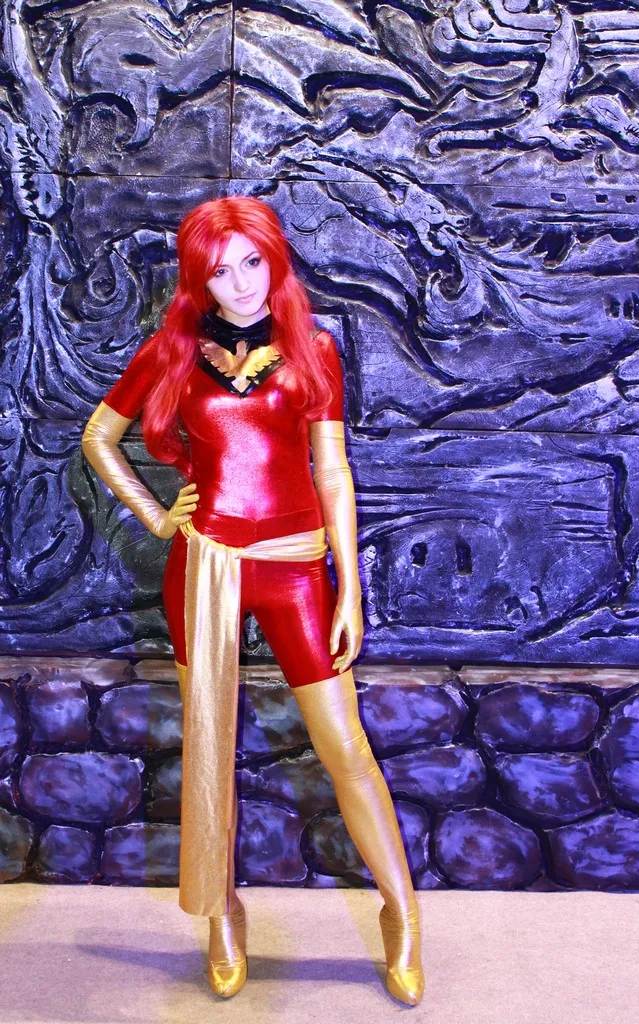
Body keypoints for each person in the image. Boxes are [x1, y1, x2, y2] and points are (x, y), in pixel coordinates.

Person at [81, 196, 424, 1005]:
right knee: (209, 749)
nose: (239, 284)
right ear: (196, 279)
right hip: (204, 566)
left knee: (345, 746)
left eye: (251, 263)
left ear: (275, 260)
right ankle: (222, 915)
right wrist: (158, 515)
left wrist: (349, 586)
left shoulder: (314, 348)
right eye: (219, 270)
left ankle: (403, 913)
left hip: (296, 567)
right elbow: (99, 438)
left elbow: (332, 470)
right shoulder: (170, 352)